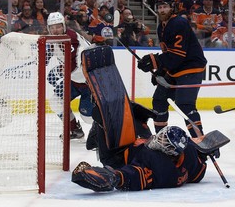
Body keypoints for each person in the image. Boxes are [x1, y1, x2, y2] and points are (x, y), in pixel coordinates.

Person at [137, 0, 207, 139]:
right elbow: (169, 54)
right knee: (159, 100)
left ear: (172, 8)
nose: (162, 10)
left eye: (165, 7)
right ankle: (162, 139)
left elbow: (177, 55)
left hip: (190, 68)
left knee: (185, 104)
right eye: (160, 7)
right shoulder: (161, 27)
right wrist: (161, 71)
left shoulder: (179, 23)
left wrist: (154, 61)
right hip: (176, 69)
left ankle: (199, 140)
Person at [72, 125, 207, 191]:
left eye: (164, 142)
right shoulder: (188, 154)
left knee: (103, 121)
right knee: (138, 120)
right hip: (139, 143)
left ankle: (96, 137)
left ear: (171, 151)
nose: (159, 139)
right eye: (161, 136)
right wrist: (204, 152)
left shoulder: (163, 170)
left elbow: (136, 175)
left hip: (119, 155)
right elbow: (198, 173)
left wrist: (116, 177)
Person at [46, 11, 94, 139]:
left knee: (87, 116)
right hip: (73, 81)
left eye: (58, 26)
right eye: (52, 27)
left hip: (88, 82)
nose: (55, 30)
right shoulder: (53, 40)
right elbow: (45, 59)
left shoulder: (71, 38)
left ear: (63, 26)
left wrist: (58, 71)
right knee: (56, 101)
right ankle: (74, 129)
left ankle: (101, 132)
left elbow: (74, 64)